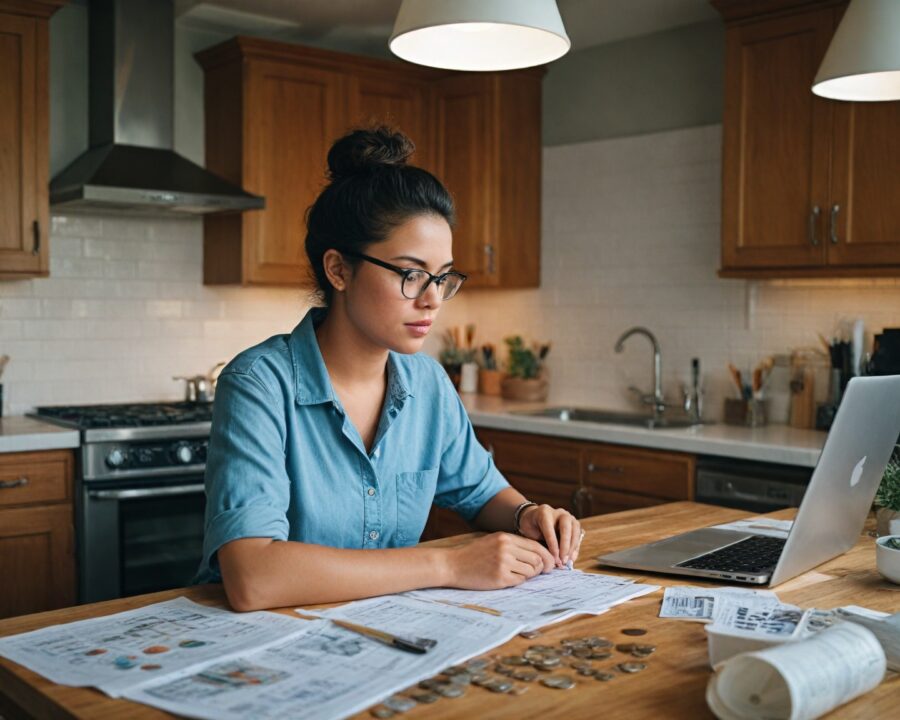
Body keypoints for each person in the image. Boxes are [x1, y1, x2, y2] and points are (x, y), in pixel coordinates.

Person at [194, 126, 583, 611]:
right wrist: (449, 565)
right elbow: (253, 577)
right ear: (339, 270)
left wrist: (526, 514)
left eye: (442, 277)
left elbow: (481, 492)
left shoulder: (428, 383)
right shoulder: (258, 384)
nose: (433, 298)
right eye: (411, 274)